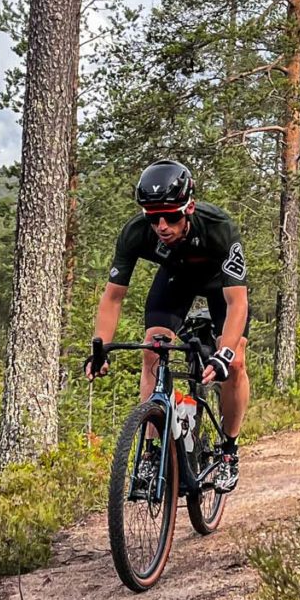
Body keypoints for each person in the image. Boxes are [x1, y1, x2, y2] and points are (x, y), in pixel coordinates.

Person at [83, 160, 250, 490]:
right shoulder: (135, 233)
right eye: (152, 217)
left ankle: (229, 451)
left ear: (188, 207)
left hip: (221, 285)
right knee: (152, 351)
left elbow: (237, 304)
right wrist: (99, 348)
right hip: (176, 280)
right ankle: (151, 452)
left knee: (236, 362)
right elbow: (113, 297)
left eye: (171, 216)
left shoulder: (218, 226)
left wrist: (225, 353)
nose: (161, 225)